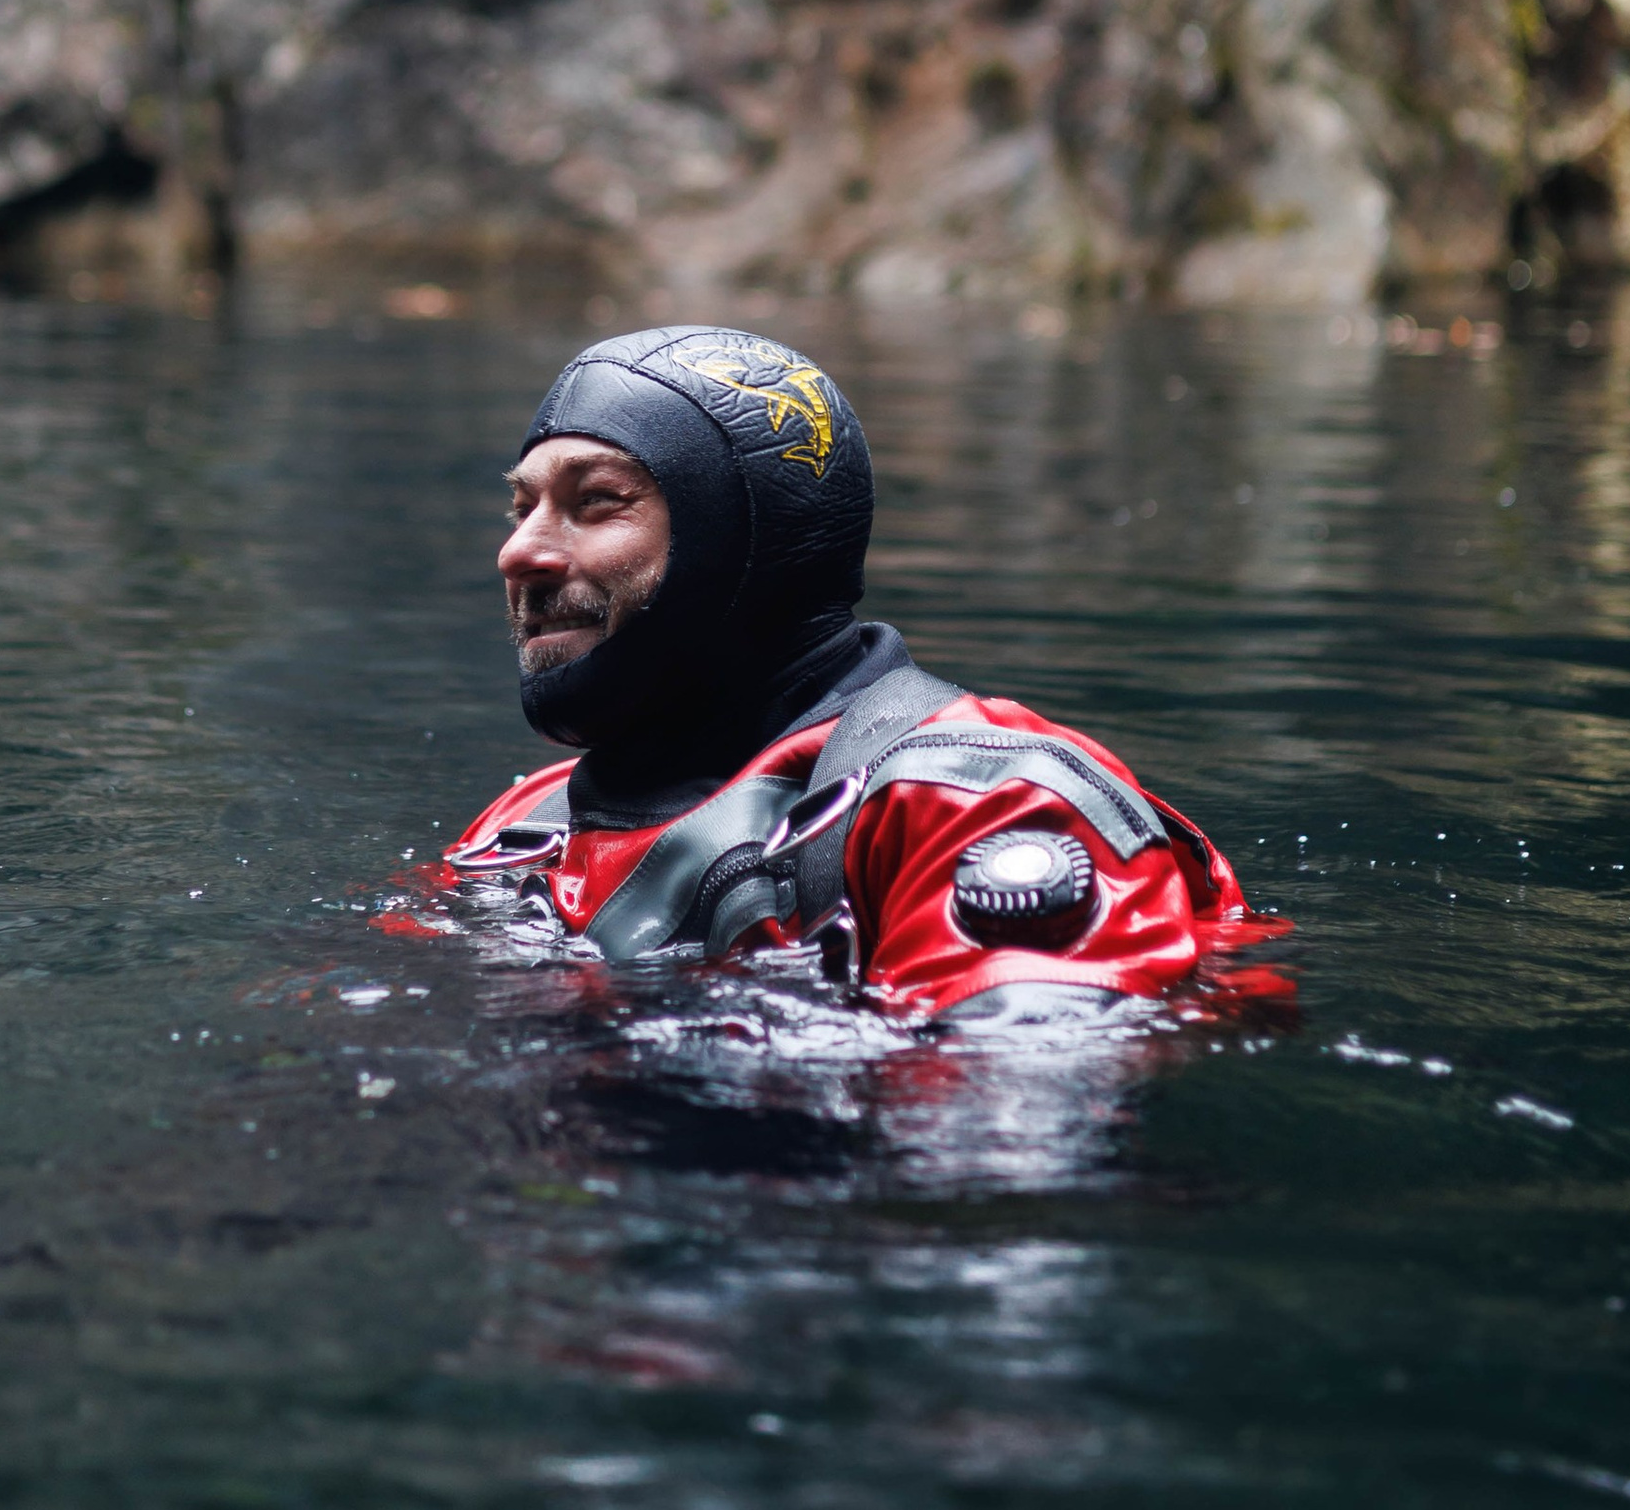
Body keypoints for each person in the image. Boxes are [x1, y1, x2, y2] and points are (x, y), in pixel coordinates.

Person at [441, 322, 1267, 1013]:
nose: (521, 550)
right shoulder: (523, 830)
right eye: (523, 507)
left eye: (596, 502)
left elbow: (1015, 1157)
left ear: (741, 548)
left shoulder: (978, 804)